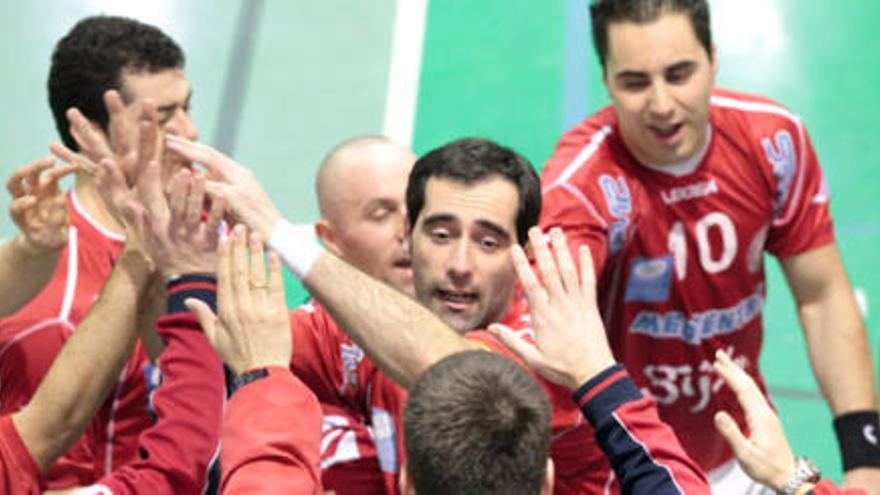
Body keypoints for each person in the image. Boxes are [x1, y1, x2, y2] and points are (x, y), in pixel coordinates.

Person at [165, 135, 707, 493]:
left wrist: (279, 233)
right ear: (409, 237)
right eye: (441, 235)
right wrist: (167, 260)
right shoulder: (362, 328)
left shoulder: (548, 344)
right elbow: (219, 349)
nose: (460, 265)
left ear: (522, 256)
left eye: (490, 242)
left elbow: (459, 375)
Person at [538, 0, 878, 491]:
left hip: (749, 455)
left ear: (714, 58)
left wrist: (866, 455)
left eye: (679, 74)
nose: (660, 104)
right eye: (635, 82)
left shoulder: (772, 141)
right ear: (606, 79)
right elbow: (553, 335)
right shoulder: (580, 185)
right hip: (632, 466)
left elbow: (822, 298)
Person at [0, 15, 201, 488]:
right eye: (163, 118)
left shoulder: (208, 237)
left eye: (188, 108)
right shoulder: (48, 303)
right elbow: (44, 448)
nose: (189, 132)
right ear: (88, 128)